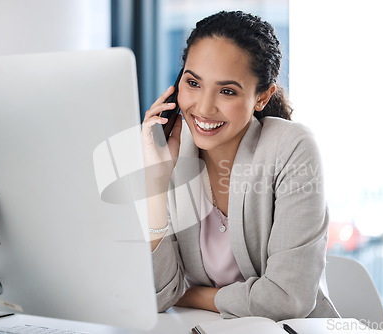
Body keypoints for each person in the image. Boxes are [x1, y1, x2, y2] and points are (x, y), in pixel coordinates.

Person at [142, 10, 339, 321]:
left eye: (227, 91)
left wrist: (190, 294)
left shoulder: (292, 147)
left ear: (262, 97)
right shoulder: (172, 153)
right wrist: (155, 182)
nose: (204, 107)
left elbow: (288, 300)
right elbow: (155, 293)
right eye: (193, 83)